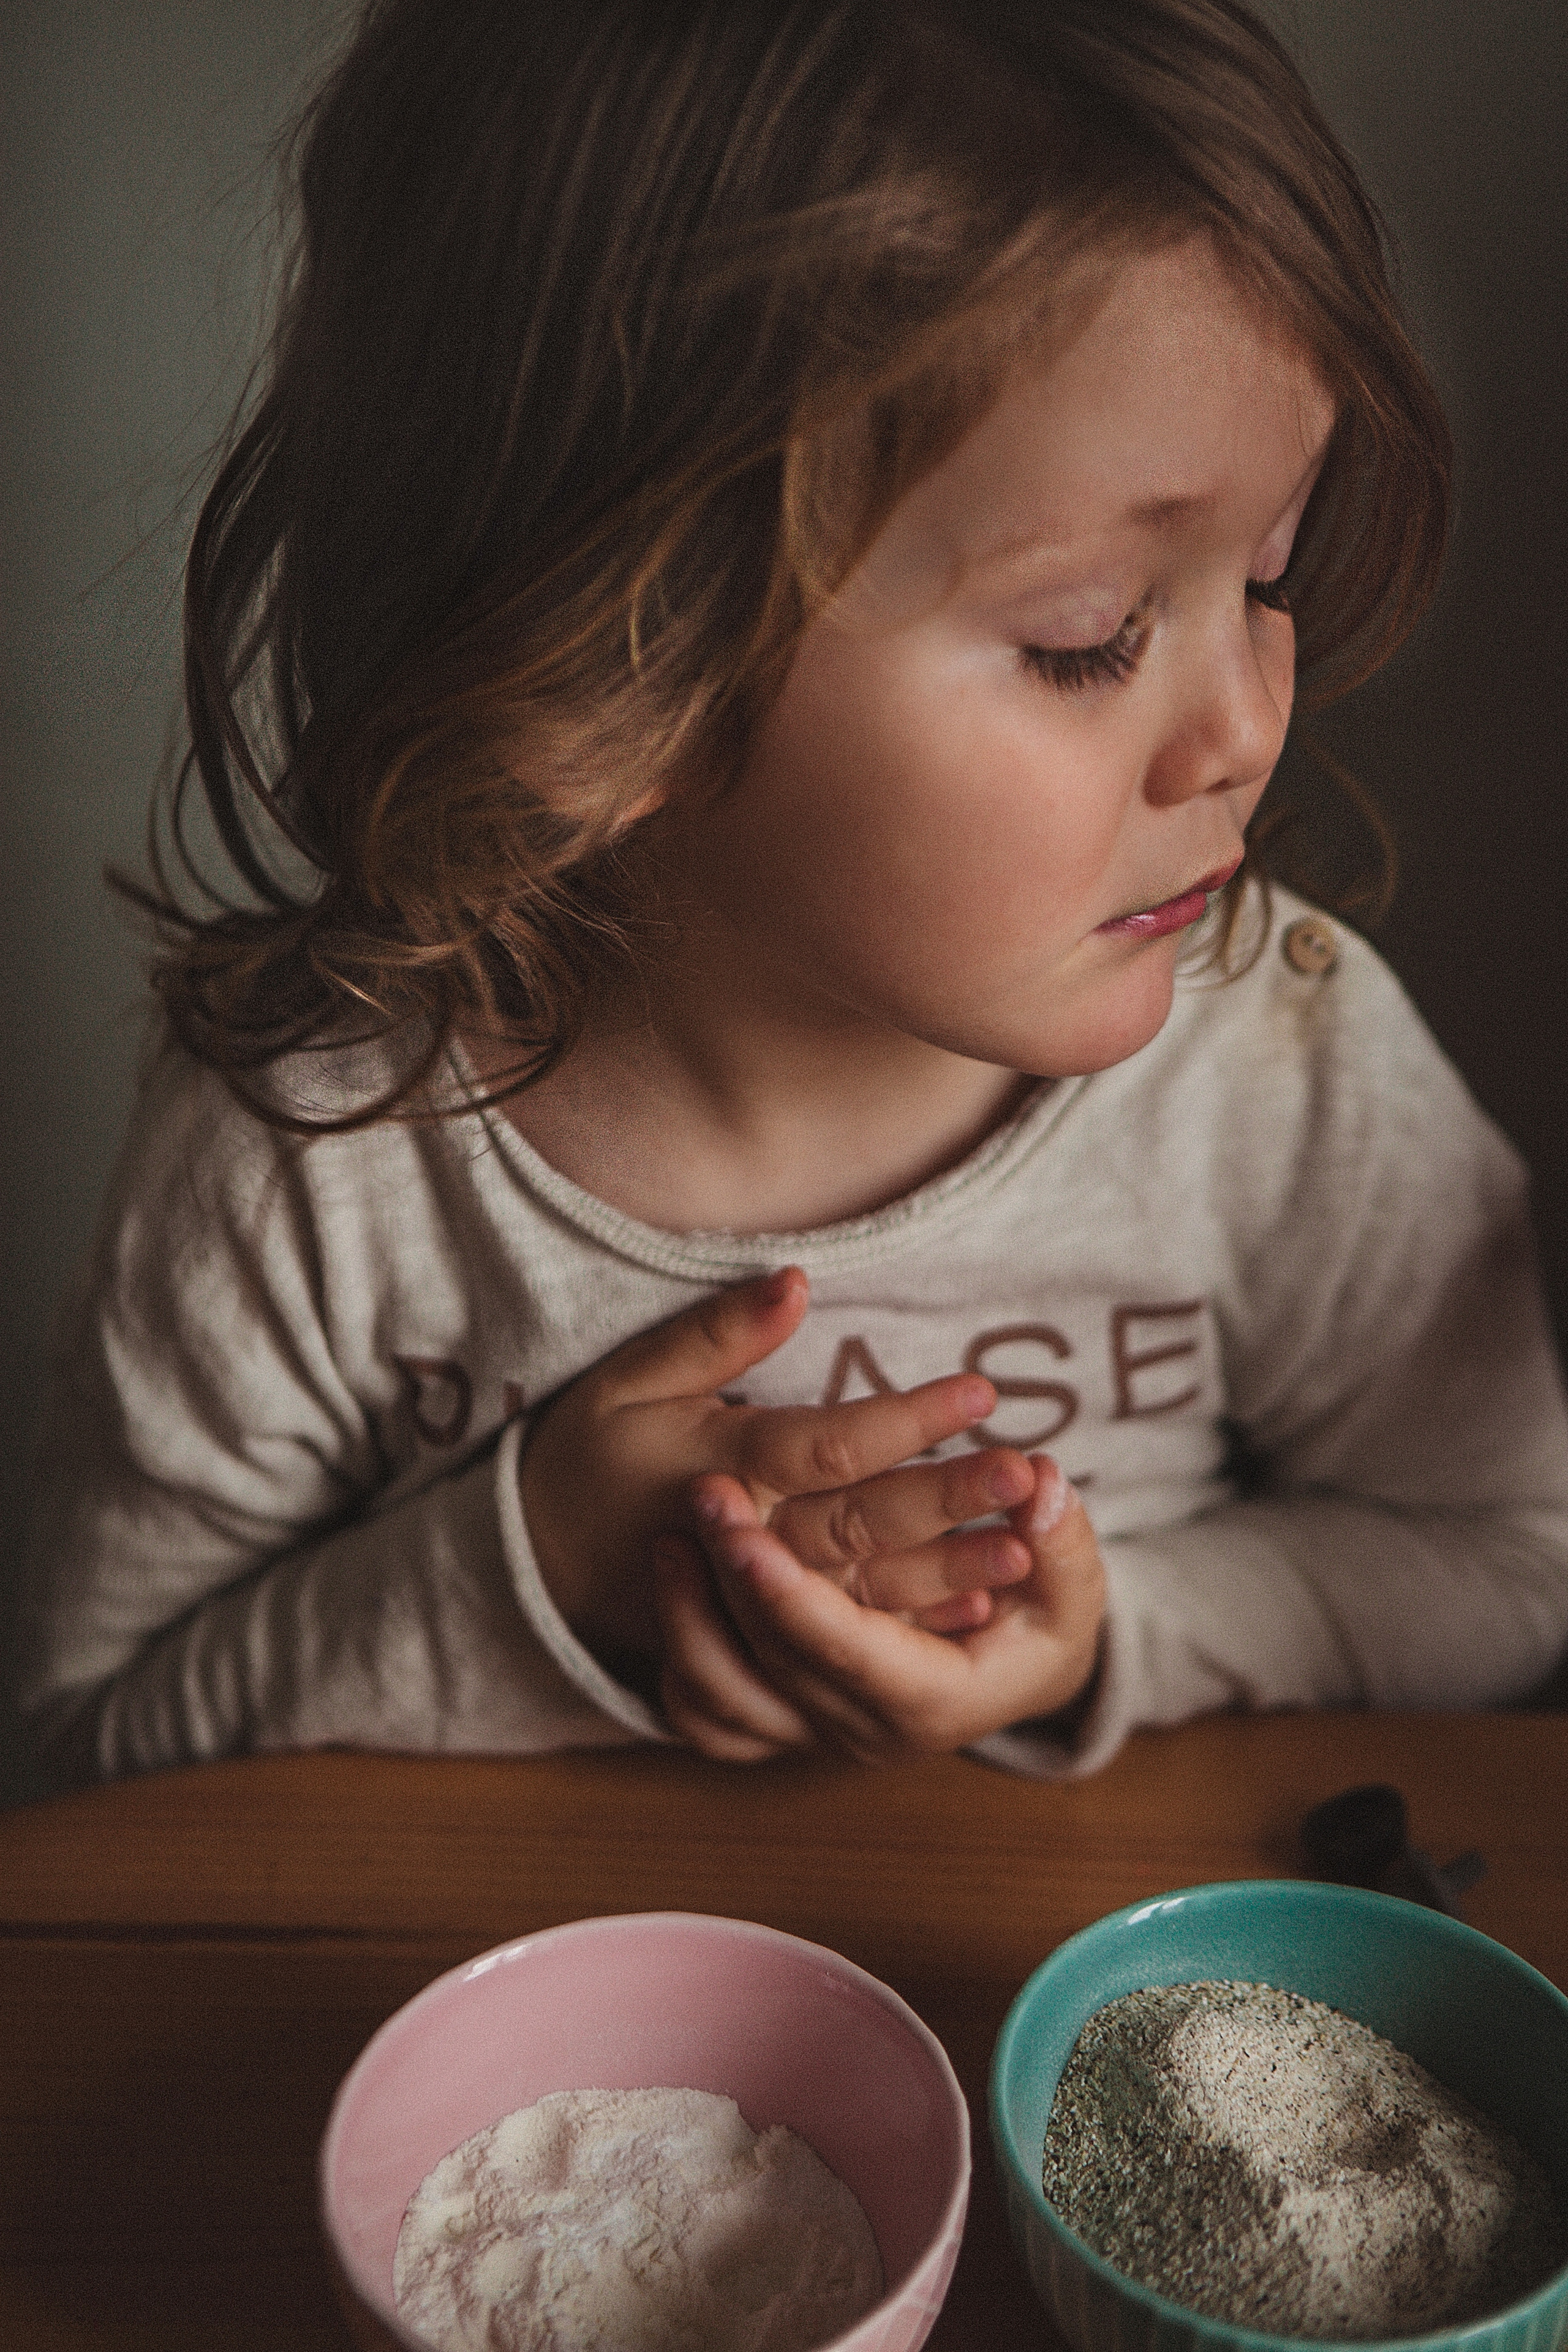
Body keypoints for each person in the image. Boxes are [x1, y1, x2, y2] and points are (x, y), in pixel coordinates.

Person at [18, 0, 1568, 1787]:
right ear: (616, 669)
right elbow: (89, 1754)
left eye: (1269, 575)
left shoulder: (1280, 1064)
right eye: (1093, 640)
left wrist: (1108, 1639)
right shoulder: (313, 1157)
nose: (1245, 726)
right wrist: (542, 1570)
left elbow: (1515, 1563)